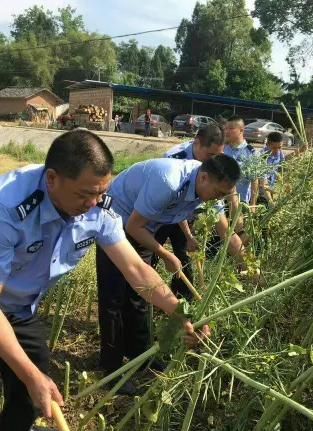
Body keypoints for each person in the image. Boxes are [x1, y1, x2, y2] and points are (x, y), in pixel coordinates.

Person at [0, 130, 204, 431]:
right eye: (86, 194)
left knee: (37, 363)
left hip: (17, 303)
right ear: (52, 178)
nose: (94, 202)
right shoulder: (0, 208)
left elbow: (135, 269)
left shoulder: (97, 204)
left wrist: (178, 311)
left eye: (102, 192)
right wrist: (33, 378)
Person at [96, 155, 241, 392]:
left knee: (141, 293)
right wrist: (165, 253)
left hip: (146, 225)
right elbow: (133, 226)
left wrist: (243, 260)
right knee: (114, 296)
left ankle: (140, 355)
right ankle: (112, 368)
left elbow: (211, 223)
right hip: (116, 219)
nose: (219, 199)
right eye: (218, 193)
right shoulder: (168, 180)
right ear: (204, 178)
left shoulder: (208, 188)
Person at [157, 125, 226, 299]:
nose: (214, 160)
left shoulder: (212, 166)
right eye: (211, 155)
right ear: (197, 144)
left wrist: (188, 236)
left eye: (218, 155)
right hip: (160, 213)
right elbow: (172, 204)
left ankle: (183, 300)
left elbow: (215, 207)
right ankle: (149, 297)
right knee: (149, 256)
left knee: (184, 257)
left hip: (184, 214)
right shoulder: (173, 160)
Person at [221, 115, 259, 244]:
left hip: (241, 204)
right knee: (221, 238)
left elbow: (254, 180)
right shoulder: (223, 150)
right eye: (226, 128)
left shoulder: (251, 153)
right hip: (222, 202)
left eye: (231, 128)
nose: (227, 131)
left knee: (239, 237)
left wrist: (253, 204)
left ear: (241, 130)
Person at [258, 131, 285, 208]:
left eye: (279, 147)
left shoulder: (279, 153)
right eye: (274, 148)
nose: (277, 151)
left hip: (270, 191)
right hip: (260, 194)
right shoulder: (261, 157)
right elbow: (264, 184)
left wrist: (300, 151)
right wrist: (271, 202)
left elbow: (284, 161)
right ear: (267, 145)